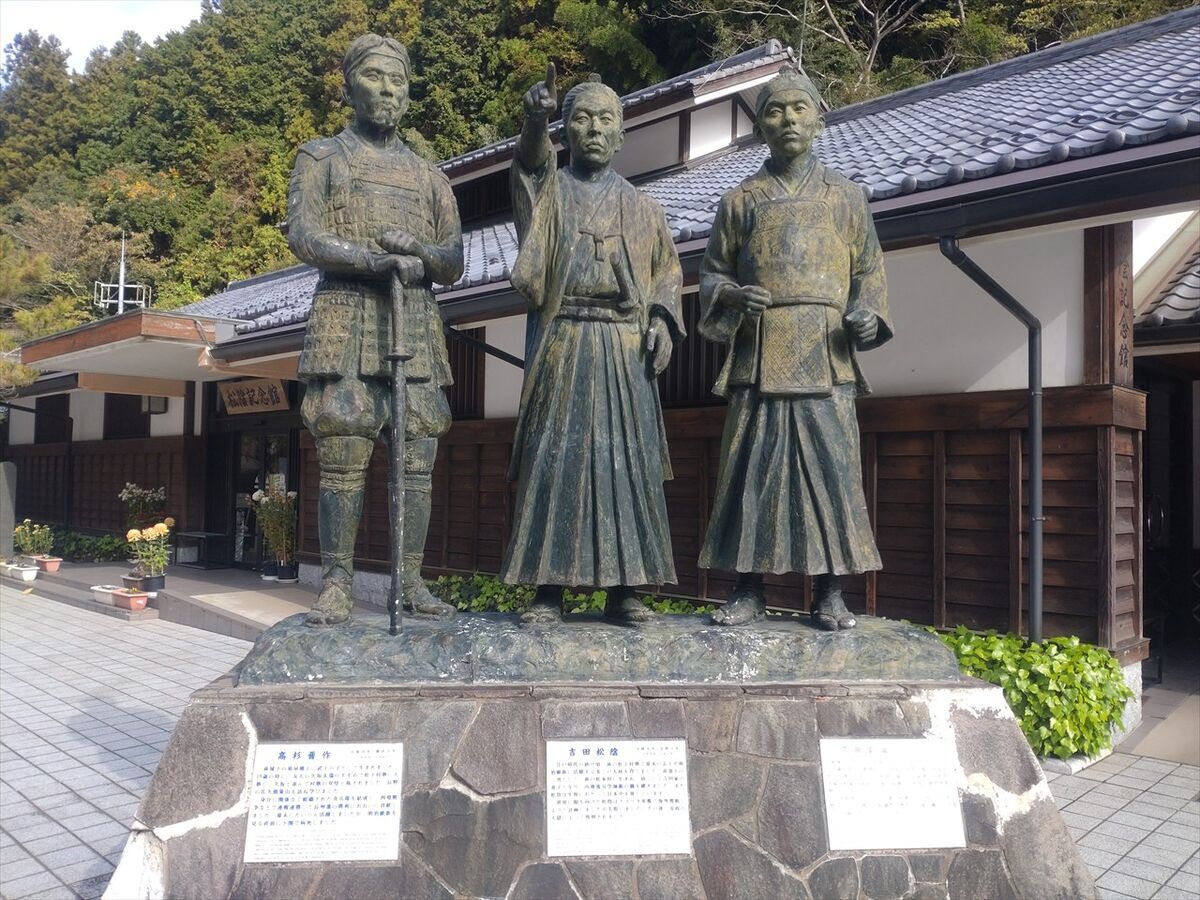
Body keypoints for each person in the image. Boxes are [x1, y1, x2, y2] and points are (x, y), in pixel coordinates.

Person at [697, 66, 892, 631]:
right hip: (760, 349)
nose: (787, 120)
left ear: (818, 121)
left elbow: (869, 272)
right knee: (751, 468)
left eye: (798, 108)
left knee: (832, 471)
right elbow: (711, 273)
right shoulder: (740, 201)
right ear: (761, 126)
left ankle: (830, 591)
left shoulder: (847, 197)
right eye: (774, 111)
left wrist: (868, 317)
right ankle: (747, 588)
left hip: (827, 353)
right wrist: (733, 295)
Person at [287, 34, 464, 625]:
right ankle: (337, 582)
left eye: (398, 80)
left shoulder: (430, 177)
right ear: (349, 87)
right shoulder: (322, 158)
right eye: (375, 77)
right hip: (345, 318)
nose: (388, 90)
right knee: (343, 452)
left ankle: (409, 581)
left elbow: (453, 259)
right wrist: (370, 259)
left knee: (417, 457)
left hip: (414, 321)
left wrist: (419, 255)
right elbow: (304, 235)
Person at [500, 65, 685, 624]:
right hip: (564, 340)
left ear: (622, 133)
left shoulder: (644, 208)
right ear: (567, 131)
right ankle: (547, 589)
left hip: (624, 348)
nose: (595, 129)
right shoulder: (550, 192)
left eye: (606, 119)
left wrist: (662, 320)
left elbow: (668, 274)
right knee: (555, 460)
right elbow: (530, 165)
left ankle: (626, 589)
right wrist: (535, 121)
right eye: (581, 119)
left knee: (626, 464)